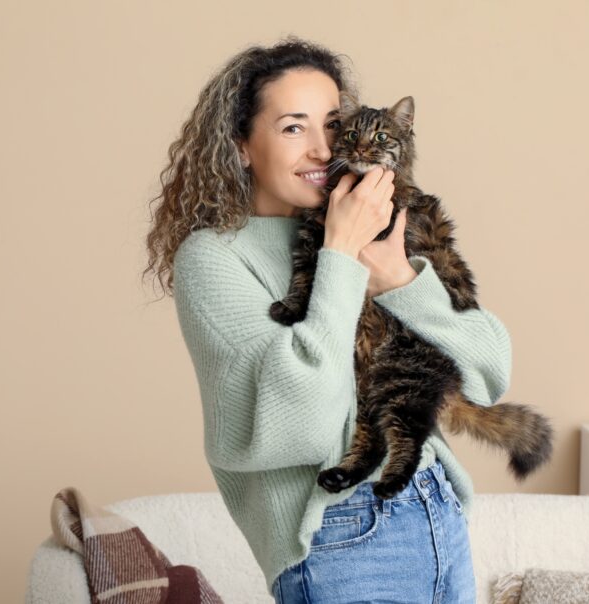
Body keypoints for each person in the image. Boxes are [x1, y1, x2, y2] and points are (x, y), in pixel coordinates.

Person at [143, 36, 511, 603]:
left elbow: (488, 374)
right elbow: (308, 425)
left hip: (436, 514)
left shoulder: (384, 229)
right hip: (345, 535)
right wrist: (340, 253)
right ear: (241, 145)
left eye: (333, 125)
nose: (322, 150)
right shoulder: (215, 258)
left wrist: (398, 279)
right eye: (293, 127)